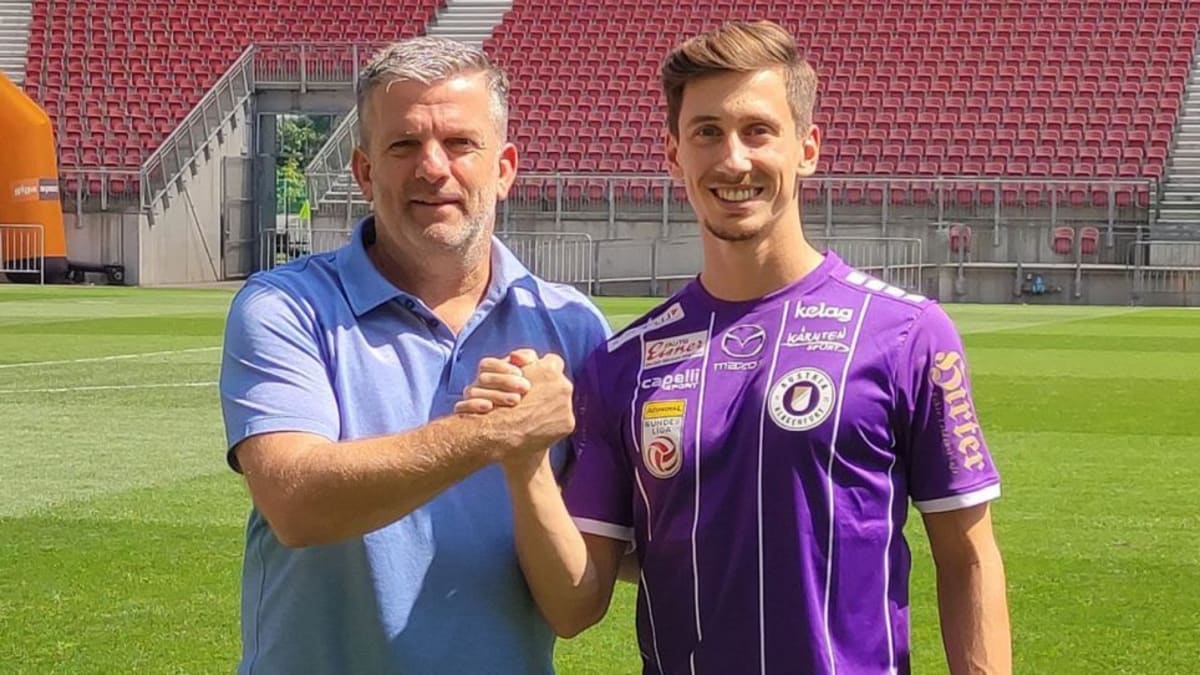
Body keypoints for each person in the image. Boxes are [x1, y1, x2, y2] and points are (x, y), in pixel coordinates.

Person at [459, 20, 1012, 675]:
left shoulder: (905, 333)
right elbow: (575, 606)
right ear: (674, 156)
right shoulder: (624, 363)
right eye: (707, 132)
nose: (733, 160)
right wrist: (525, 463)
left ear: (807, 148)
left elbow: (967, 556)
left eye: (758, 131)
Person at [217, 37, 609, 674]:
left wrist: (527, 464)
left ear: (504, 168)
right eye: (403, 145)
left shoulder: (574, 329)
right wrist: (489, 434)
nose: (432, 168)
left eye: (460, 143)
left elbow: (576, 608)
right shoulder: (287, 307)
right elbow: (295, 503)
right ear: (364, 172)